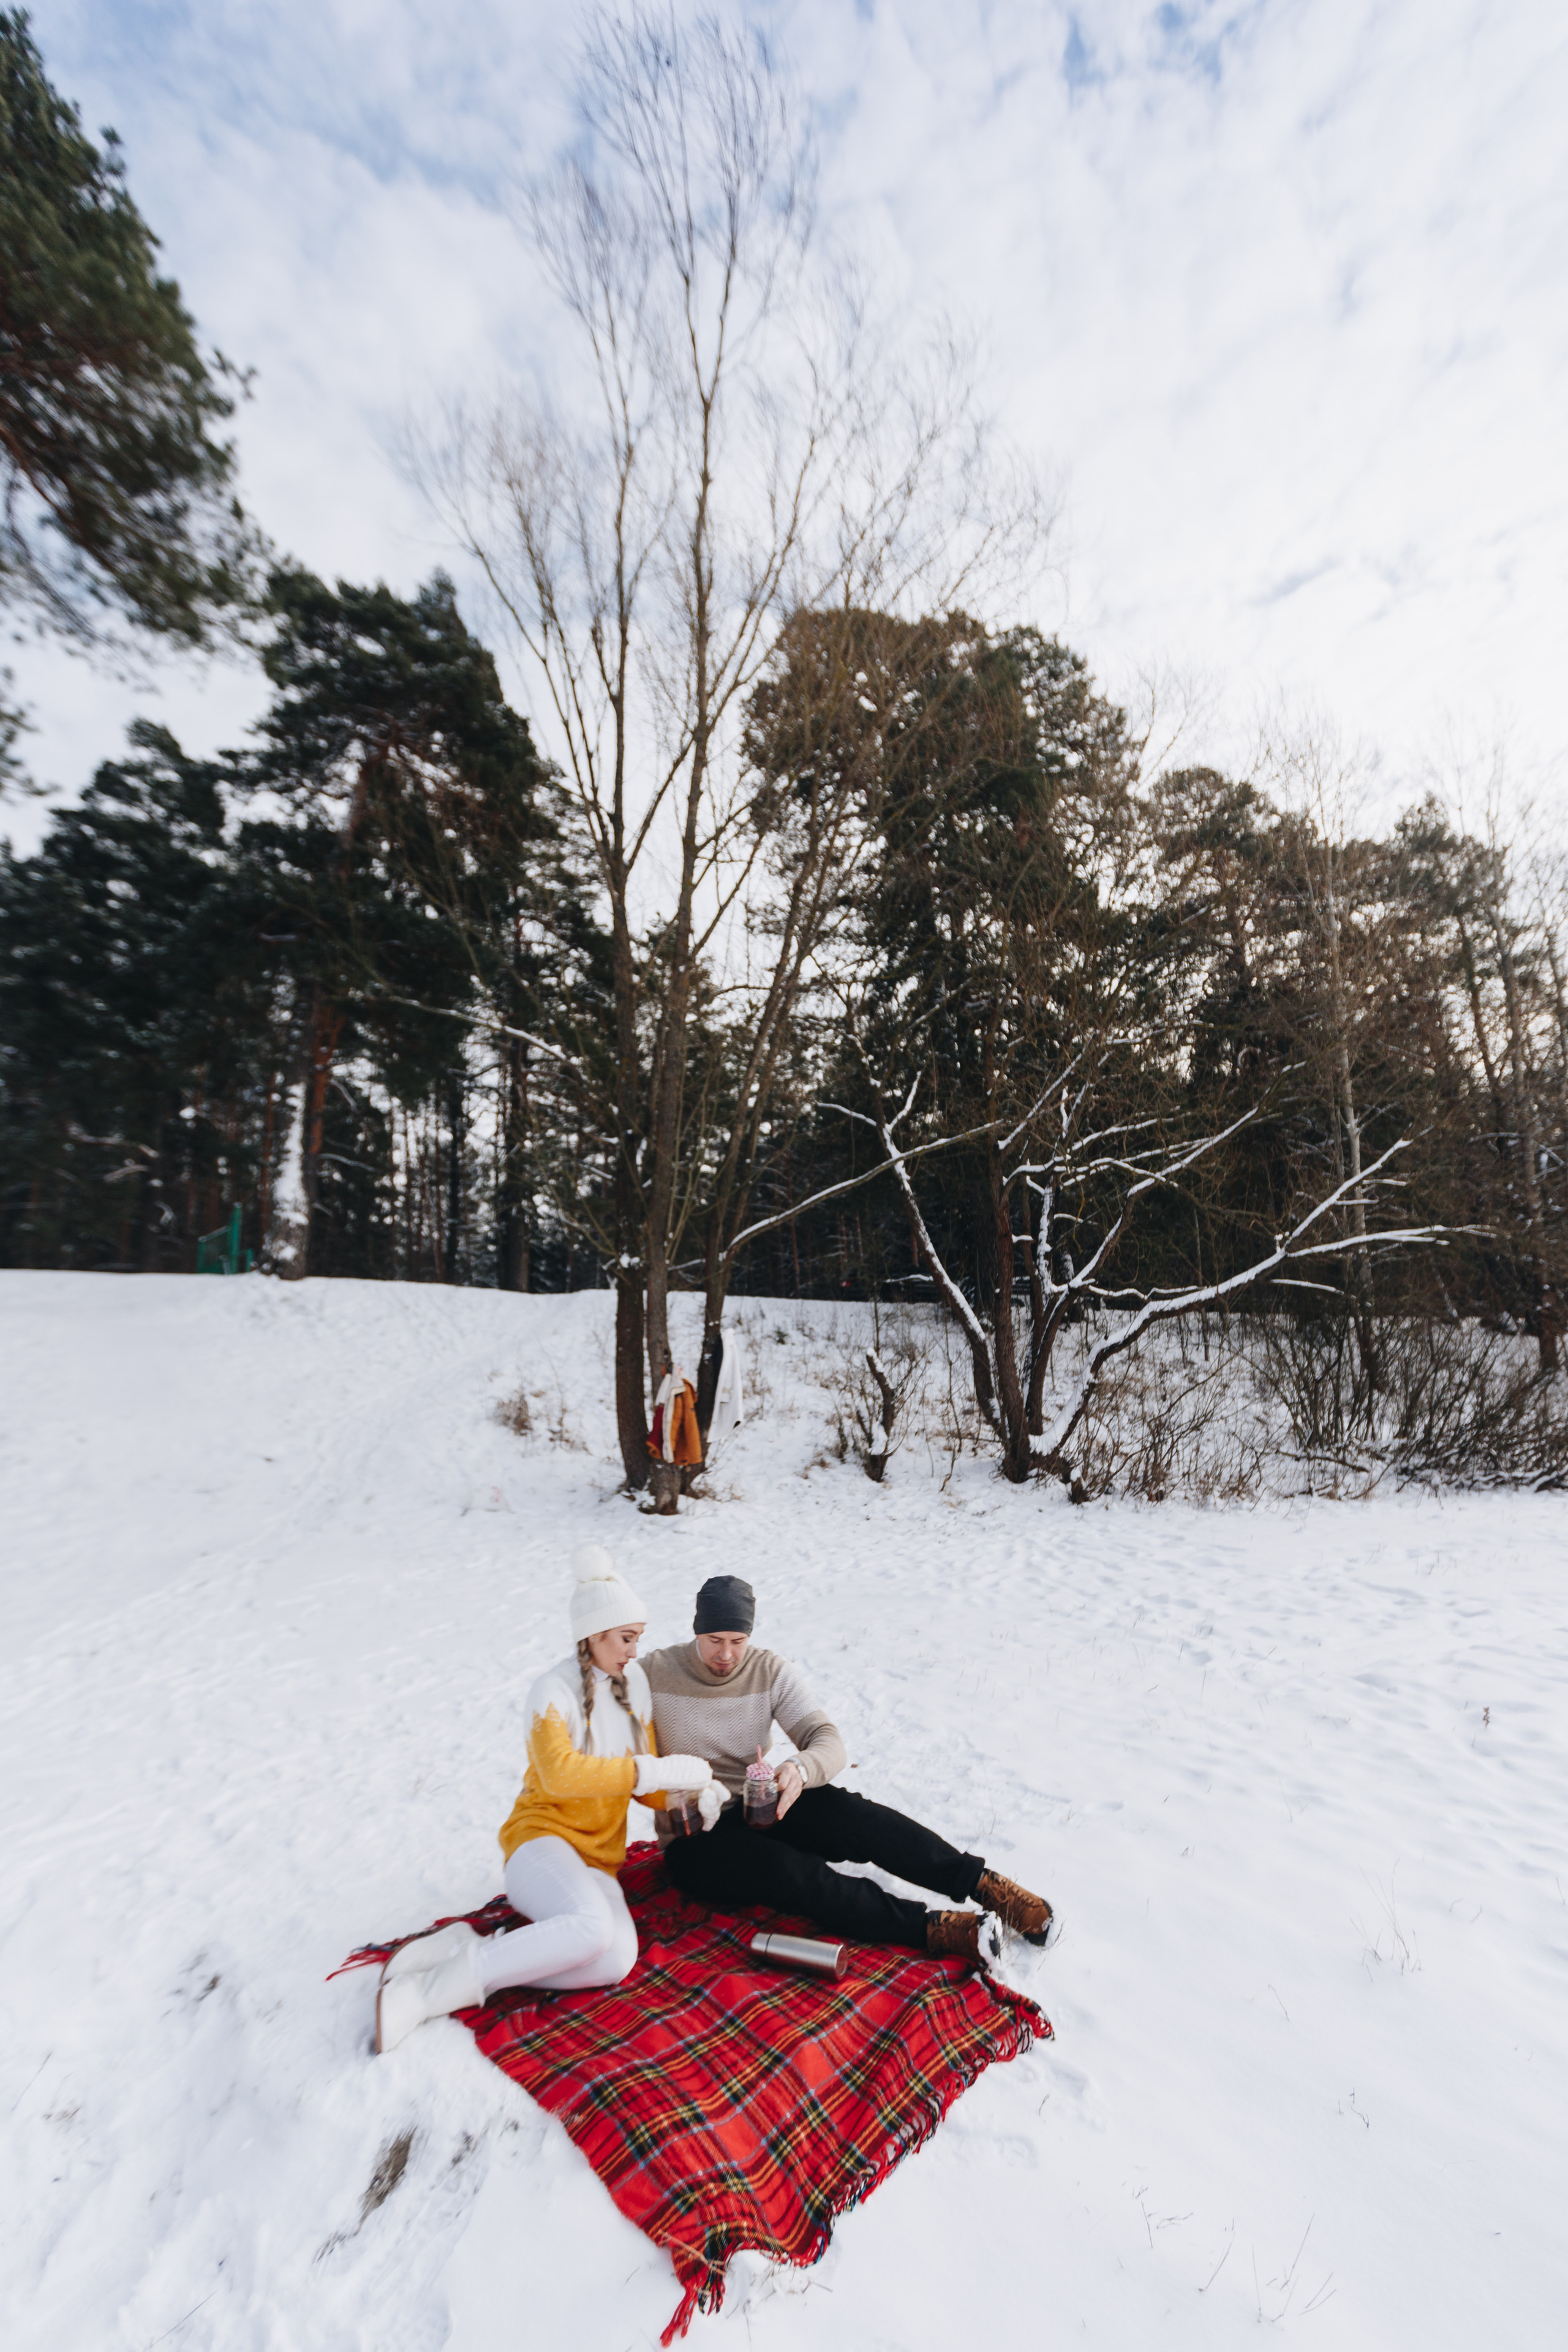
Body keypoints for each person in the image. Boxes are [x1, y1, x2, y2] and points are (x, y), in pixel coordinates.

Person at [375, 1545, 718, 2052]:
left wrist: (687, 1799)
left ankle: (476, 1952)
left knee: (613, 1958)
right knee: (588, 1927)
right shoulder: (550, 1692)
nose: (634, 1651)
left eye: (637, 1639)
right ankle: (424, 1994)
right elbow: (560, 1776)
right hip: (540, 1846)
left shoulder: (635, 1687)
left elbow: (643, 1788)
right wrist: (649, 1770)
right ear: (594, 1635)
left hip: (596, 1862)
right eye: (626, 1638)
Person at [643, 1574, 1061, 1964]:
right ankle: (935, 1929)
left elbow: (827, 1739)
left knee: (857, 1819)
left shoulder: (766, 1670)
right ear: (696, 1629)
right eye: (715, 1640)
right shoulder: (653, 1673)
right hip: (694, 1836)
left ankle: (985, 1886)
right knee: (794, 1873)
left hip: (760, 1803)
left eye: (738, 1640)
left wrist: (799, 1770)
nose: (727, 1654)